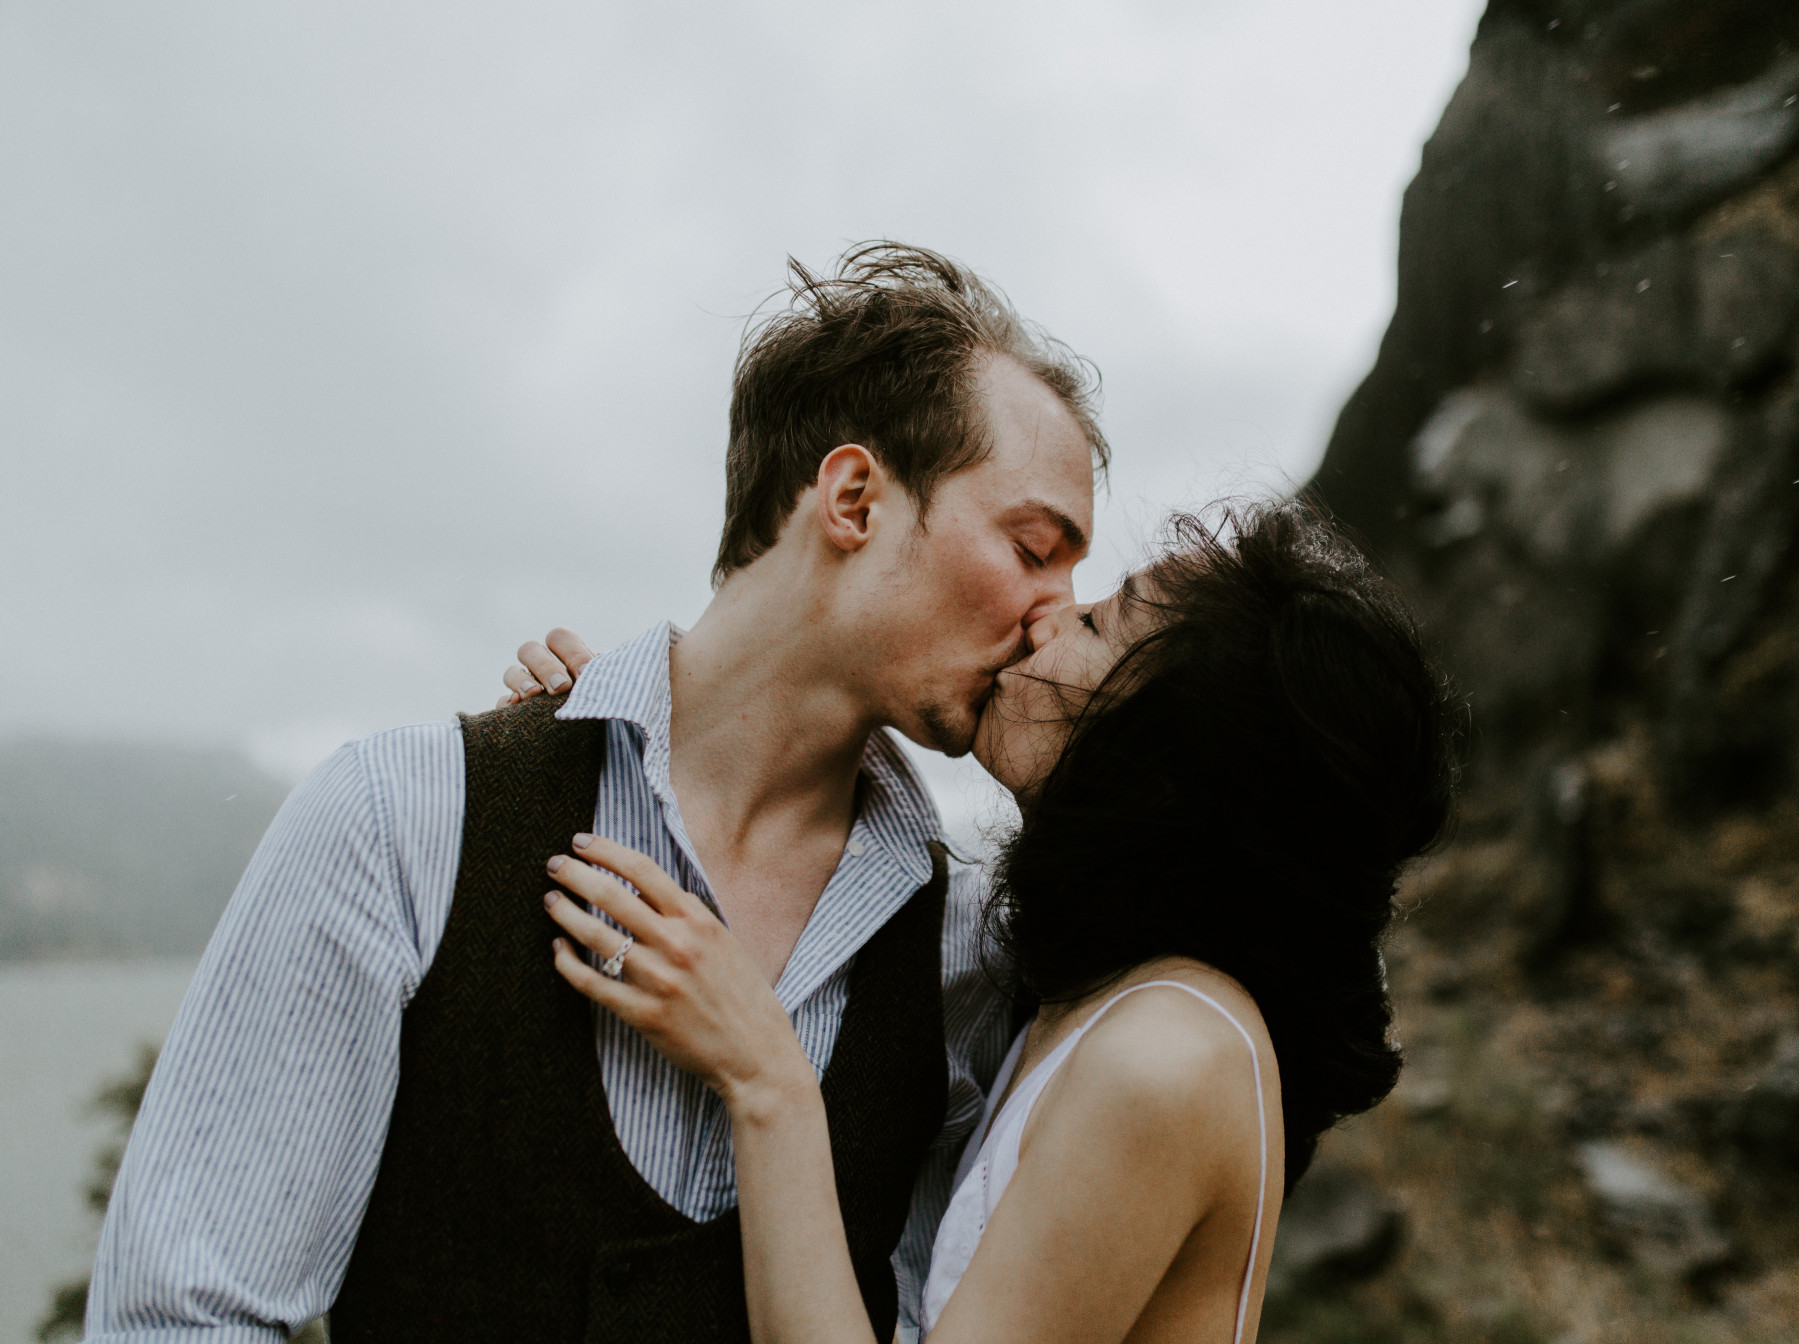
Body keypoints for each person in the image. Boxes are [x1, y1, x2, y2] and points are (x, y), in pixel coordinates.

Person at [86, 245, 1107, 1343]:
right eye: (1035, 547)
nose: (1056, 615)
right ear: (853, 497)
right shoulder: (403, 816)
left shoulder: (965, 952)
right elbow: (183, 1316)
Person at [512, 500, 1456, 1342]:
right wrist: (651, 748)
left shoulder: (1168, 1057)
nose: (1047, 615)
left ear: (1174, 764)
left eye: (1097, 620)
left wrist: (766, 1080)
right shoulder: (1080, 997)